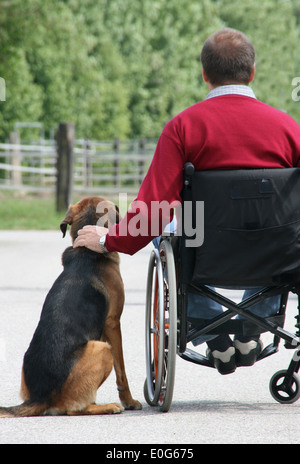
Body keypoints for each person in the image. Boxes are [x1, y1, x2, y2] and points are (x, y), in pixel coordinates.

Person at [74, 28, 300, 374]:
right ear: (252, 72)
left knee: (174, 228)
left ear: (205, 75)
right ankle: (252, 326)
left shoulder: (183, 128)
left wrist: (108, 238)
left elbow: (153, 210)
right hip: (274, 255)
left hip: (204, 254)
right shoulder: (288, 129)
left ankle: (216, 335)